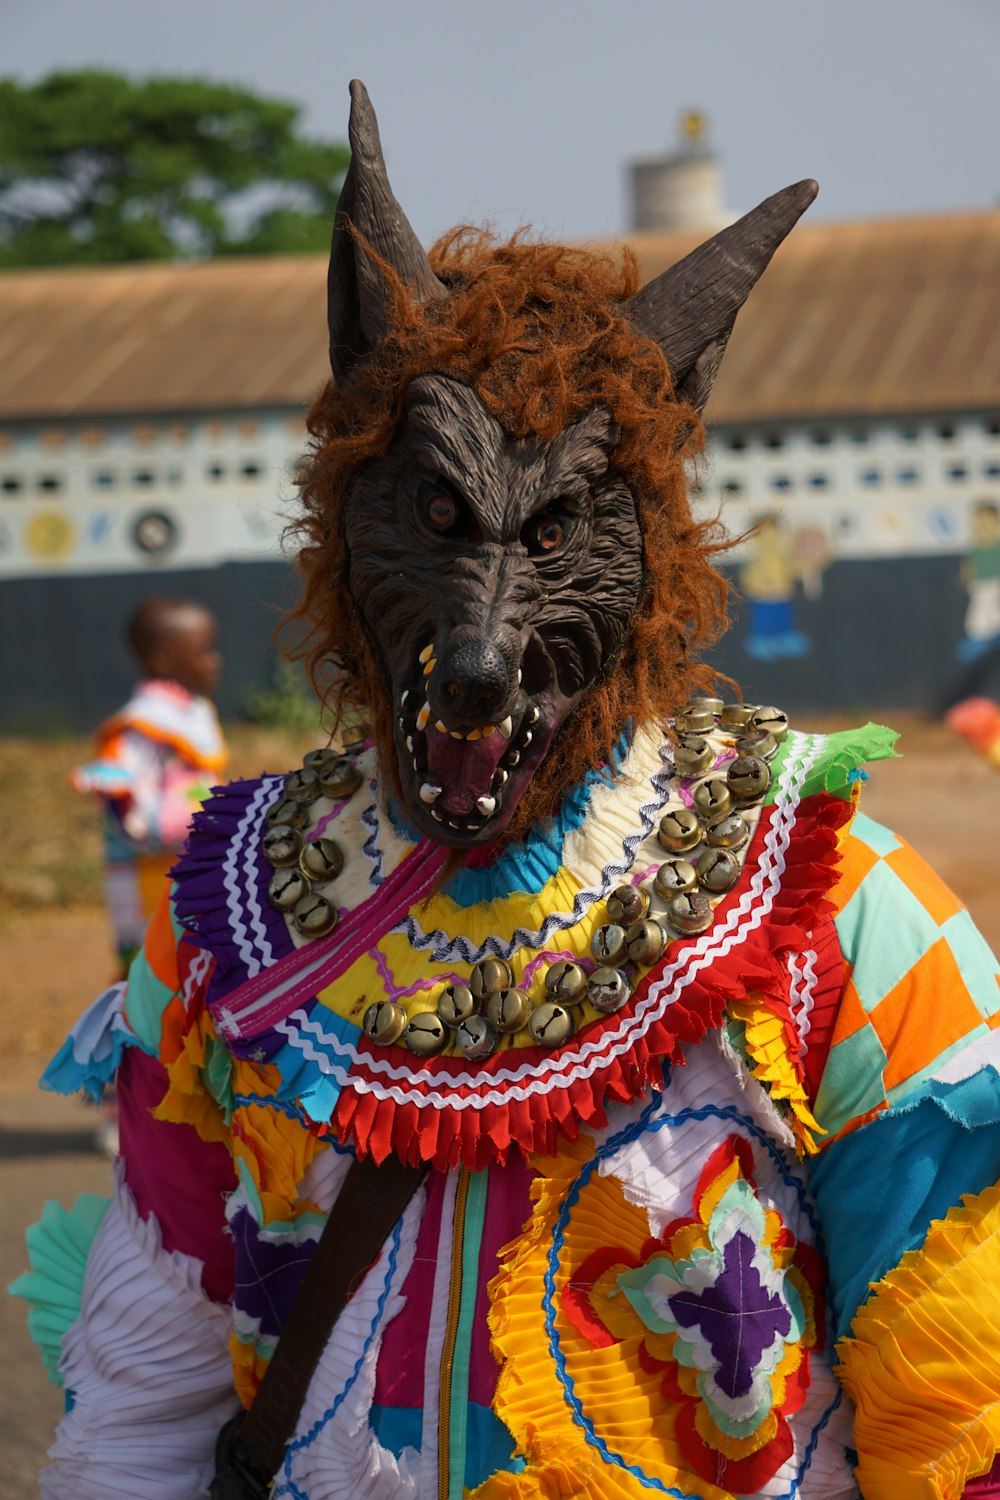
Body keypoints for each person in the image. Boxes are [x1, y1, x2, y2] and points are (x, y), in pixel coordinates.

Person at [13, 84, 1000, 1500]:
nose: (482, 639)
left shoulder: (837, 915)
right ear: (339, 527)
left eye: (553, 536)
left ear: (649, 550)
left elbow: (965, 1405)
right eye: (432, 519)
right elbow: (146, 1405)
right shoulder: (224, 938)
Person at [71, 596, 226, 973]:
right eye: (205, 650)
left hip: (194, 862)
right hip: (152, 876)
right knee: (153, 968)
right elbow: (125, 796)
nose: (216, 660)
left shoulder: (192, 712)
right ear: (162, 659)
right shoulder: (142, 725)